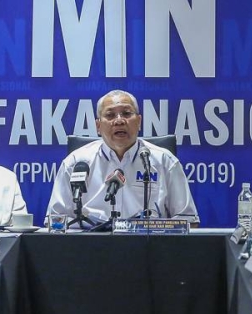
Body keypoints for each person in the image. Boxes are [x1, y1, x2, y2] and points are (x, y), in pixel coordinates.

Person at [46, 90, 199, 224]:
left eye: (126, 113)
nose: (119, 121)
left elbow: (188, 220)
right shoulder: (75, 162)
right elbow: (55, 220)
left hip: (148, 246)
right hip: (90, 244)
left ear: (139, 122)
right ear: (98, 126)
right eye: (110, 115)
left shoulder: (164, 162)